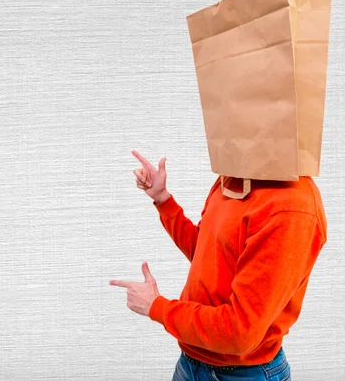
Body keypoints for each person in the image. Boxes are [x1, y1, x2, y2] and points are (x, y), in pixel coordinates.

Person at [109, 149, 327, 380]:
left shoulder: (291, 209)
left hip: (244, 374)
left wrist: (156, 307)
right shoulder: (233, 179)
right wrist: (163, 199)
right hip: (189, 363)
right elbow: (206, 253)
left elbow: (239, 332)